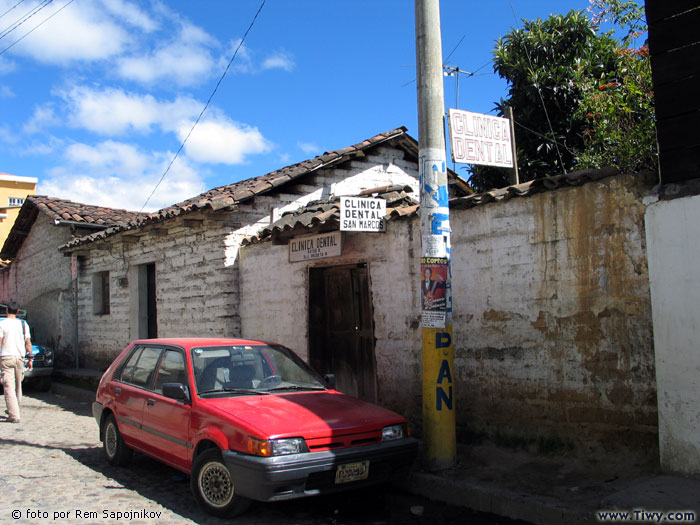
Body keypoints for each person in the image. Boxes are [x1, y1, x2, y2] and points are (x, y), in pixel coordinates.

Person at [0, 302, 32, 423]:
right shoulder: (24, 325)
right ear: (18, 311)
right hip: (20, 357)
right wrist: (30, 359)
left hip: (6, 357)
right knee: (19, 385)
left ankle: (14, 414)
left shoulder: (2, 325)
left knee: (8, 386)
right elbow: (28, 343)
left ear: (7, 311)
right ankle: (14, 408)